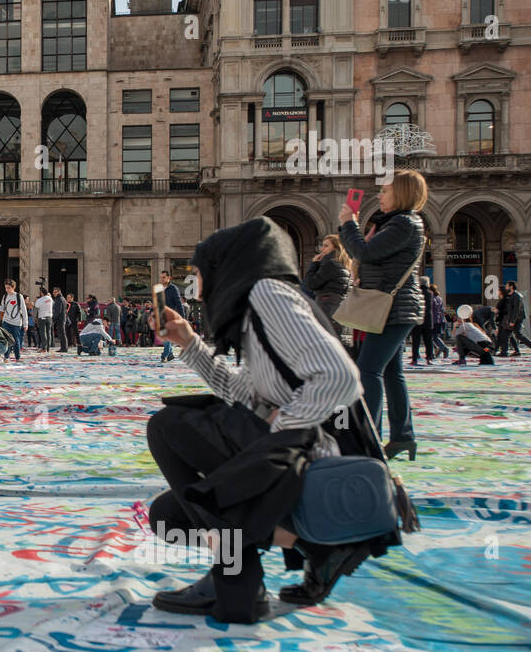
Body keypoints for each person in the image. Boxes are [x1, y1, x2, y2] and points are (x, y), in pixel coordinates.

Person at [147, 217, 379, 623]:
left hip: (306, 457)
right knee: (170, 518)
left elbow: (341, 377)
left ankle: (237, 578)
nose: (198, 290)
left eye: (200, 275)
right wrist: (188, 342)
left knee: (169, 426)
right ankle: (310, 543)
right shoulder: (255, 309)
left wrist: (281, 425)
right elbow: (240, 391)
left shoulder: (269, 296)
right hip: (288, 454)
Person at [338, 170, 427, 461]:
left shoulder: (404, 223)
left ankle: (370, 440)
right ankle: (403, 437)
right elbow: (377, 260)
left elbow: (363, 251)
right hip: (396, 306)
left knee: (368, 371)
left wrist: (348, 223)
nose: (380, 195)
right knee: (391, 373)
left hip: (393, 308)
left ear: (401, 193)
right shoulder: (400, 223)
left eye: (386, 190)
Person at [303, 235, 352, 338]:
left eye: (326, 246)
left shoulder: (330, 263)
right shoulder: (344, 264)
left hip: (327, 306)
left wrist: (314, 264)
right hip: (338, 307)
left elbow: (310, 284)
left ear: (336, 248)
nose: (322, 249)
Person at [496, 280, 531, 358]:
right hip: (512, 318)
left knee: (518, 334)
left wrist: (512, 321)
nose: (506, 287)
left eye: (507, 286)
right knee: (505, 334)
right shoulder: (512, 295)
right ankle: (504, 352)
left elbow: (516, 309)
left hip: (517, 319)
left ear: (511, 287)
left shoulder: (517, 296)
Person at [0, 279, 28, 362]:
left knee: (16, 340)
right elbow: (2, 308)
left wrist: (25, 324)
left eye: (8, 288)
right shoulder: (5, 297)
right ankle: (6, 357)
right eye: (6, 288)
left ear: (13, 287)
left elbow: (24, 310)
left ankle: (17, 357)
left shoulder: (19, 296)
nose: (7, 290)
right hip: (6, 322)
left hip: (17, 323)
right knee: (6, 340)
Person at [159, 271, 184, 362]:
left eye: (164, 277)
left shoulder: (173, 288)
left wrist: (182, 317)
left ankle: (164, 355)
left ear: (169, 278)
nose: (162, 279)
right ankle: (170, 355)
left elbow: (178, 303)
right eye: (161, 277)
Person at [411, 276, 436, 366]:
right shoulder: (430, 293)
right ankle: (429, 358)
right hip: (428, 320)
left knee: (415, 341)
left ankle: (414, 359)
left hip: (418, 319)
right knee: (428, 341)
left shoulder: (416, 293)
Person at [34, 286, 54, 353]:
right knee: (49, 333)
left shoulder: (39, 300)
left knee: (43, 333)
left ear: (41, 293)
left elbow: (35, 310)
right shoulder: (50, 299)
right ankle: (48, 347)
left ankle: (44, 348)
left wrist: (35, 318)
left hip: (42, 317)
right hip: (49, 317)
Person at [51, 285, 69, 352]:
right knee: (62, 333)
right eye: (53, 292)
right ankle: (64, 347)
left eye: (55, 292)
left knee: (62, 333)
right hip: (62, 318)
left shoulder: (59, 299)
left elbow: (57, 311)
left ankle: (64, 348)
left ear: (59, 292)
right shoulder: (62, 298)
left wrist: (53, 319)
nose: (54, 293)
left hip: (60, 319)